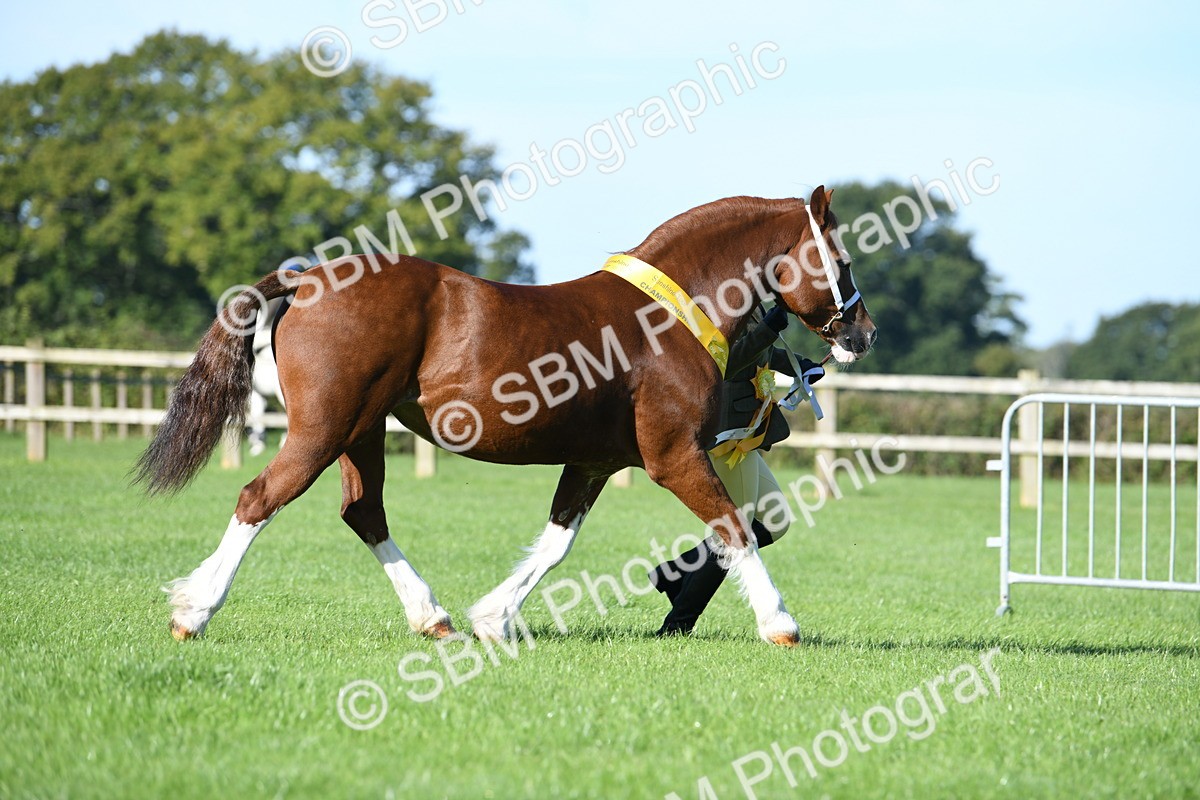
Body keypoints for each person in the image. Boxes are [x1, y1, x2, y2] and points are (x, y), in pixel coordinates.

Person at [648, 303, 824, 636]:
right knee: (736, 533)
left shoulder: (751, 302)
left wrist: (799, 365)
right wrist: (767, 330)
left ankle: (676, 573)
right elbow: (723, 362)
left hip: (747, 429)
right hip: (726, 433)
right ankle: (677, 624)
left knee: (776, 520)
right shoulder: (715, 305)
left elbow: (761, 353)